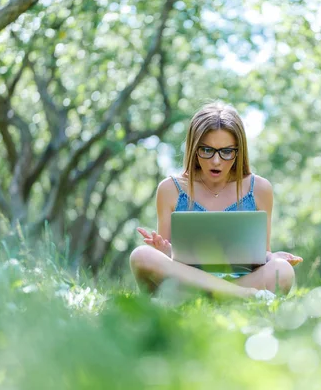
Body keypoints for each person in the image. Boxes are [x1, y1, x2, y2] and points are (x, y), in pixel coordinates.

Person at [129, 101, 303, 299]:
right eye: (207, 150)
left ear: (239, 151)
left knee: (283, 270)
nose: (216, 161)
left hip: (239, 279)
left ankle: (210, 298)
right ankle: (242, 296)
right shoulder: (170, 189)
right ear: (194, 148)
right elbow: (171, 263)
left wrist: (271, 257)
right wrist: (166, 250)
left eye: (226, 151)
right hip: (188, 283)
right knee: (141, 256)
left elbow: (259, 255)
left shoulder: (260, 189)